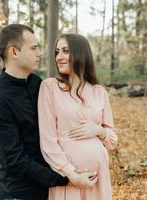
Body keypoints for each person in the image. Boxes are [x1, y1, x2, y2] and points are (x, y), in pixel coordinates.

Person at [0, 24, 97, 200]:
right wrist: (66, 179)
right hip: (19, 193)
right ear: (14, 52)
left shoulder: (37, 83)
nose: (39, 53)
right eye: (33, 48)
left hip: (50, 189)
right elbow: (15, 161)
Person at [38, 33, 118, 200]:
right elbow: (48, 141)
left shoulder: (99, 92)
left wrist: (98, 131)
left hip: (98, 180)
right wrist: (71, 174)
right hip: (69, 180)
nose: (59, 57)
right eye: (57, 52)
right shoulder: (50, 87)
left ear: (80, 54)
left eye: (65, 51)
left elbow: (112, 141)